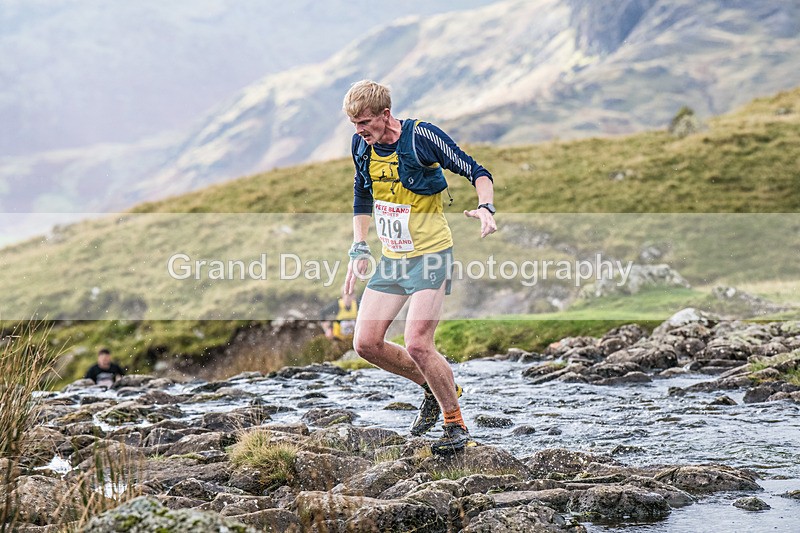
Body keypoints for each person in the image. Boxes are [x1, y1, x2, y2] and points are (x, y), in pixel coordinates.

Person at [342, 80, 497, 455]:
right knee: (365, 344)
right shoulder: (361, 146)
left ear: (385, 114)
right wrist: (359, 245)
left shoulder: (421, 137)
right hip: (394, 257)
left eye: (365, 122)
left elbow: (476, 170)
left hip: (431, 254)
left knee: (417, 343)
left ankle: (455, 423)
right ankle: (432, 385)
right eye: (355, 125)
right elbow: (363, 194)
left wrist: (486, 207)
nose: (360, 131)